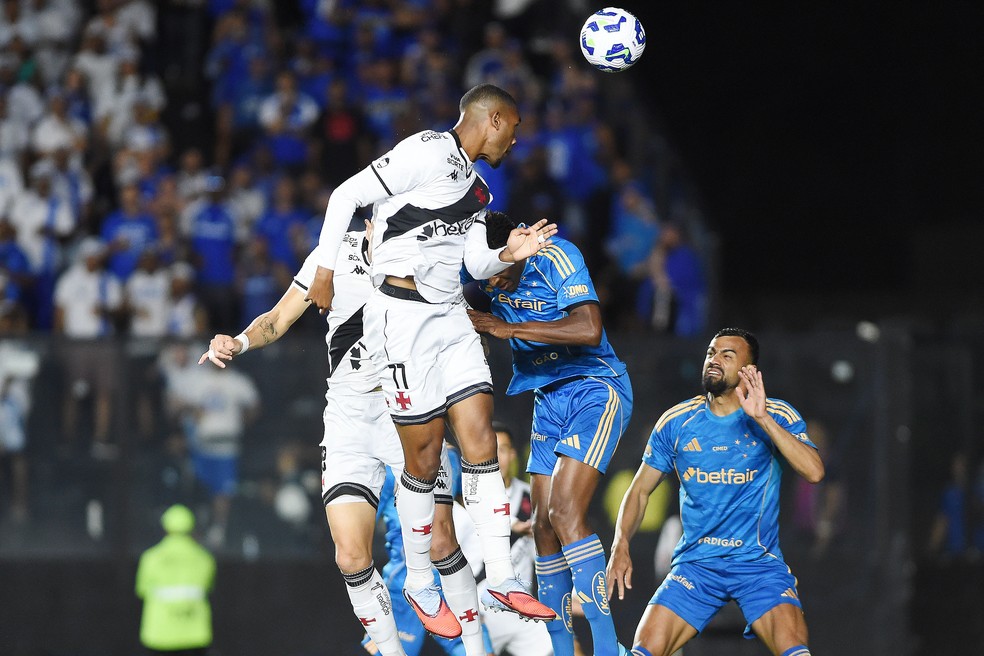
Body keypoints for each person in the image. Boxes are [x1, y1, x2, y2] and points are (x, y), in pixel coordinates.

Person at [304, 83, 558, 633]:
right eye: (513, 126)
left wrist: (506, 255)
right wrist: (325, 269)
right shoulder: (423, 150)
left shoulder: (476, 189)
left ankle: (502, 578)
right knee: (421, 460)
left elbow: (472, 261)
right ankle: (420, 580)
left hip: (450, 317)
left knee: (480, 436)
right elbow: (344, 196)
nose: (515, 139)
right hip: (401, 319)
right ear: (492, 119)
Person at [199, 221, 488, 655]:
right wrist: (237, 343)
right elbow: (278, 318)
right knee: (351, 557)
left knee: (442, 539)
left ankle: (477, 650)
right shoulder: (329, 255)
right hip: (348, 416)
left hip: (407, 408)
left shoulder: (422, 252)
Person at [467, 211, 633, 656]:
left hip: (595, 389)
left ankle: (605, 648)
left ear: (515, 250)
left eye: (497, 268)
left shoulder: (556, 256)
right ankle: (561, 651)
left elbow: (589, 328)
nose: (490, 283)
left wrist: (507, 329)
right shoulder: (482, 276)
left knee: (563, 513)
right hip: (547, 398)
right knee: (542, 526)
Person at [607, 328, 825, 656]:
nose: (714, 359)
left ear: (749, 371)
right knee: (644, 651)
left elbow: (814, 471)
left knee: (796, 651)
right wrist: (620, 543)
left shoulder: (777, 414)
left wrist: (762, 418)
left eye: (727, 355)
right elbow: (639, 491)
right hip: (696, 566)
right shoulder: (677, 422)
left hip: (757, 565)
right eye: (711, 352)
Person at [135, 504, 216, 656]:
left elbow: (142, 590)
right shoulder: (205, 559)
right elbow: (208, 587)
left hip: (159, 634)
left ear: (165, 527)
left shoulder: (151, 558)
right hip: (194, 634)